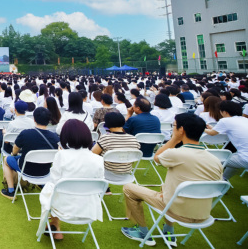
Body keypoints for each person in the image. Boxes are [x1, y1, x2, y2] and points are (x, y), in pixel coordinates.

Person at [121, 114, 223, 246]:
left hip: (177, 211)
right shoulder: (216, 161)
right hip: (203, 215)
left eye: (173, 126)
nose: (172, 128)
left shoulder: (176, 153)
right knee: (166, 187)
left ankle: (142, 231)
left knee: (128, 188)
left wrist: (174, 139)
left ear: (181, 130)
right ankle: (169, 231)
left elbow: (157, 157)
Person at [37, 119, 105, 240]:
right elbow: (100, 183)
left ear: (65, 136)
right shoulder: (98, 159)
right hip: (89, 208)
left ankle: (55, 224)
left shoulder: (61, 156)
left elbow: (54, 181)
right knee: (59, 189)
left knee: (50, 189)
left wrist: (61, 155)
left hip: (64, 208)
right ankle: (55, 225)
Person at [1, 108, 60, 199]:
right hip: (45, 173)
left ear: (34, 119)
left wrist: (14, 154)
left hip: (26, 170)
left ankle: (11, 191)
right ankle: (41, 185)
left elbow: (15, 149)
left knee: (6, 160)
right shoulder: (55, 138)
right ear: (49, 120)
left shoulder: (26, 134)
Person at [0, 100, 34, 170]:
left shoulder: (12, 124)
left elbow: (6, 141)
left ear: (15, 109)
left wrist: (4, 132)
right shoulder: (32, 122)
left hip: (13, 149)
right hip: (28, 148)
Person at [204, 101, 248, 180]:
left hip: (245, 158)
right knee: (232, 159)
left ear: (224, 112)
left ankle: (212, 180)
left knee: (210, 159)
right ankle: (224, 179)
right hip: (243, 157)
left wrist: (202, 128)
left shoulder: (225, 121)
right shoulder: (245, 119)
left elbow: (212, 133)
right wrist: (213, 128)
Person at [92, 112, 141, 181]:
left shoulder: (105, 138)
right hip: (126, 174)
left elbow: (93, 154)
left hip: (106, 173)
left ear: (107, 124)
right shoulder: (134, 139)